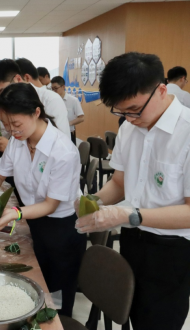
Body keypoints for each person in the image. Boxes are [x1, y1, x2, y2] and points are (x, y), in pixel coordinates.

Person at [75, 52, 190, 330]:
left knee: (159, 322)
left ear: (161, 90)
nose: (129, 118)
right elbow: (120, 183)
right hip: (133, 239)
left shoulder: (186, 132)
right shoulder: (130, 127)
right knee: (133, 313)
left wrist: (128, 214)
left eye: (135, 109)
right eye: (121, 111)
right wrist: (92, 200)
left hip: (171, 250)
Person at [0, 83, 85, 317]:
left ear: (36, 112)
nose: (12, 131)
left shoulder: (63, 151)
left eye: (16, 124)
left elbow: (51, 205)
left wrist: (16, 213)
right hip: (35, 221)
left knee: (57, 296)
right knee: (37, 283)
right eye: (7, 125)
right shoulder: (19, 142)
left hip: (62, 229)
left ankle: (59, 320)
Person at [0, 59, 71, 158]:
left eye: (2, 91)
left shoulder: (51, 100)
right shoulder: (7, 103)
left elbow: (60, 144)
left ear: (18, 79)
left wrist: (11, 148)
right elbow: (8, 133)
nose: (2, 97)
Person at [51, 76, 85, 144]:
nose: (54, 91)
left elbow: (81, 118)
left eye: (56, 88)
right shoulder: (52, 101)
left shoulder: (73, 100)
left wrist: (67, 124)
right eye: (52, 89)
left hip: (69, 133)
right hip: (55, 134)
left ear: (63, 87)